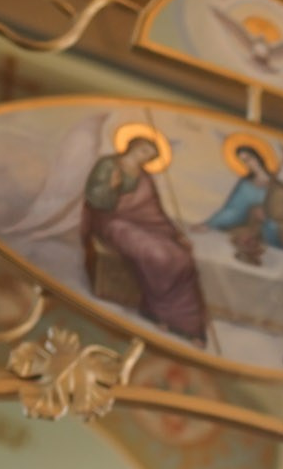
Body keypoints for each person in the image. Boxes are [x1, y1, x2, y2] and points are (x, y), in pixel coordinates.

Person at [82, 131, 209, 342]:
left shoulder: (144, 178)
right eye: (143, 150)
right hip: (113, 222)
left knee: (182, 258)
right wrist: (111, 188)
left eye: (149, 155)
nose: (145, 157)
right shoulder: (108, 165)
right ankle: (162, 313)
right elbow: (96, 200)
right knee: (159, 255)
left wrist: (176, 235)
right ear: (132, 146)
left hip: (145, 225)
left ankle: (188, 323)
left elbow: (154, 212)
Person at [201, 141, 283, 266]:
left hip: (271, 235)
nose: (248, 163)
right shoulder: (246, 185)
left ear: (257, 157)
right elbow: (232, 211)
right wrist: (210, 224)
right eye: (244, 161)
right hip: (249, 230)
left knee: (267, 241)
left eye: (250, 158)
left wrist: (268, 219)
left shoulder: (279, 189)